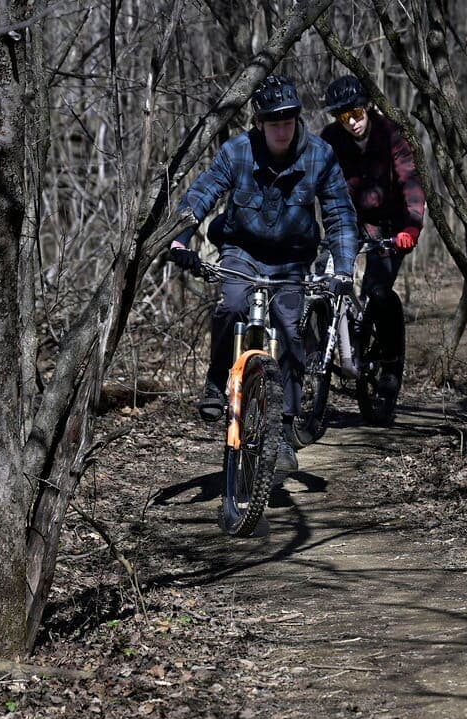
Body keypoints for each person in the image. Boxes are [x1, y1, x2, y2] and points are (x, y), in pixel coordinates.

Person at [169, 74, 358, 472]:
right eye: (273, 122)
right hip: (243, 250)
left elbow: (340, 215)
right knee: (233, 303)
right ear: (259, 123)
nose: (282, 129)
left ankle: (284, 429)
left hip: (291, 259)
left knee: (291, 329)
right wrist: (180, 240)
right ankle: (217, 379)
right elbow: (202, 193)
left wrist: (343, 271)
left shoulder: (319, 156)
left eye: (288, 121)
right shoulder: (237, 152)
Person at [320, 74, 426, 396]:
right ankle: (320, 351)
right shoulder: (329, 140)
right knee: (323, 277)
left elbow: (410, 180)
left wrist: (411, 226)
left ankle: (390, 361)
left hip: (393, 224)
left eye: (356, 114)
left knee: (378, 292)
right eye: (343, 117)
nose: (351, 123)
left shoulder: (390, 134)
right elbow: (312, 180)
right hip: (348, 220)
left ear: (367, 107)